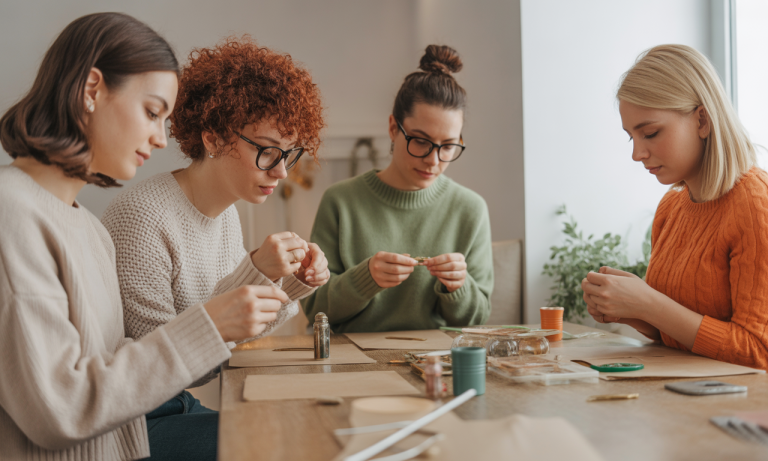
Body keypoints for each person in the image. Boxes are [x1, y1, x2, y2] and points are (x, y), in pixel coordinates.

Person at [0, 13, 287, 461]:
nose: (159, 139)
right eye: (152, 112)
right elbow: (60, 410)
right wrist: (209, 324)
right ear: (91, 90)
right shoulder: (12, 214)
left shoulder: (88, 228)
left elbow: (116, 371)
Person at [101, 37, 329, 391]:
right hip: (146, 418)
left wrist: (293, 280)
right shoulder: (143, 217)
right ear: (213, 139)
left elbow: (232, 336)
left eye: (288, 154)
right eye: (268, 151)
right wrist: (257, 272)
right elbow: (165, 372)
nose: (281, 172)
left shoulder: (225, 215)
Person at [582, 44, 768, 370]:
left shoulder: (756, 206)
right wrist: (632, 309)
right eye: (631, 138)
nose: (637, 154)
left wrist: (650, 304)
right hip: (685, 391)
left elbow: (759, 352)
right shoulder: (672, 207)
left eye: (650, 133)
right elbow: (674, 334)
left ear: (702, 120)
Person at [302, 45, 493, 333]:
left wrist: (459, 286)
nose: (433, 159)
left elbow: (477, 321)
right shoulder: (340, 201)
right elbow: (314, 309)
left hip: (436, 363)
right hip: (350, 364)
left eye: (448, 146)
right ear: (393, 128)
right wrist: (364, 278)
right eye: (420, 141)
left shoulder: (470, 209)